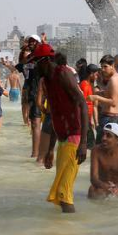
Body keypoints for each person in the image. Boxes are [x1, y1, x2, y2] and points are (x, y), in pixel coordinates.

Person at [33, 43, 89, 213]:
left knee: (64, 194)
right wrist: (51, 149)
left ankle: (71, 234)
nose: (34, 66)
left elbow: (83, 104)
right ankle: (63, 231)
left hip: (75, 136)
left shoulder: (63, 74)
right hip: (63, 139)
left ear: (46, 61)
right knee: (61, 193)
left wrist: (84, 143)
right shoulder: (47, 81)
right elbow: (55, 115)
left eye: (36, 61)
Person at [89, 55, 118, 144]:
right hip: (115, 118)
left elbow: (113, 102)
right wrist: (101, 93)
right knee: (113, 150)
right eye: (101, 67)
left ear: (112, 65)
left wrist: (96, 97)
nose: (103, 70)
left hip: (109, 118)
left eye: (105, 67)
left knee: (100, 149)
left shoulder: (113, 80)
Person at [79, 63, 99, 149]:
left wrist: (93, 120)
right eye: (96, 74)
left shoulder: (88, 85)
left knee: (90, 144)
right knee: (91, 145)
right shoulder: (84, 85)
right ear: (91, 74)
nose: (97, 76)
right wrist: (89, 119)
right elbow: (82, 103)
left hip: (87, 119)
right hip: (84, 119)